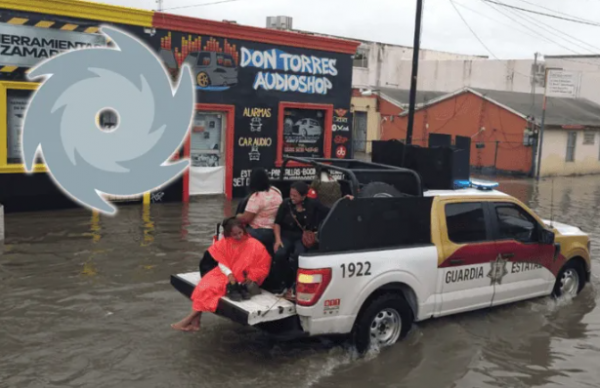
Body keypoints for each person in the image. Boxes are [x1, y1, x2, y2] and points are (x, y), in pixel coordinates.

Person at [171, 217, 271, 332]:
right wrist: (229, 274)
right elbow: (222, 261)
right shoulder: (225, 242)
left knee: (210, 290)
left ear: (244, 230)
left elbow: (263, 265)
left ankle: (190, 320)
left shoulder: (255, 245)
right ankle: (195, 321)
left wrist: (251, 277)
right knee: (203, 287)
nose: (238, 236)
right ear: (228, 234)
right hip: (225, 273)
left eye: (240, 233)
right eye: (234, 234)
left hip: (242, 278)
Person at [271, 181, 353, 298]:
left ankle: (295, 284)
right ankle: (281, 284)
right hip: (287, 235)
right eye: (291, 195)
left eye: (295, 196)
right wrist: (278, 240)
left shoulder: (313, 204)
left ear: (303, 196)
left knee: (298, 255)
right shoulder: (286, 204)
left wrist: (344, 200)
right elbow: (277, 223)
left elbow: (330, 211)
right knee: (280, 254)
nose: (292, 198)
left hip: (302, 237)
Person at [236, 168, 283, 253]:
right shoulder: (276, 191)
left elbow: (246, 219)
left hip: (259, 231)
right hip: (275, 231)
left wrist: (237, 216)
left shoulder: (256, 197)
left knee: (234, 234)